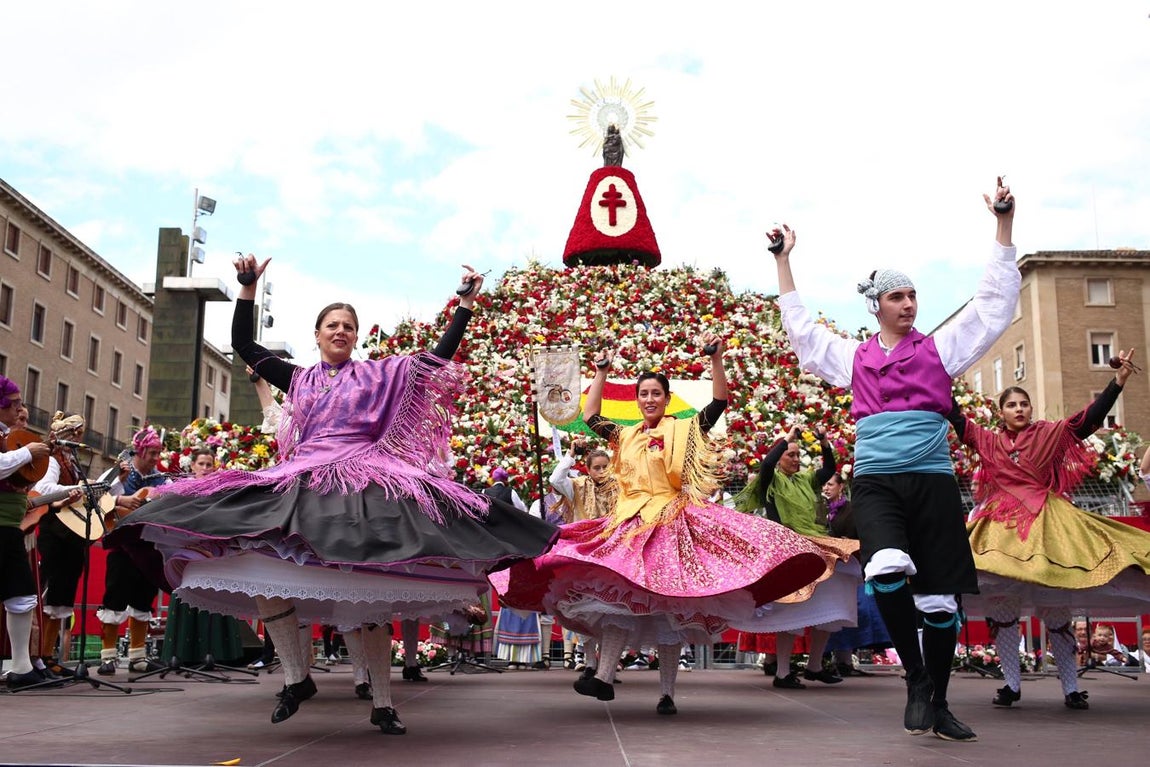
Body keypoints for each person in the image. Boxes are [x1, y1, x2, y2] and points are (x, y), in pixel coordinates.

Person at [112, 256, 556, 734]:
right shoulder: (298, 378)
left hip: (366, 479)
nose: (340, 331)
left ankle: (383, 704)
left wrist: (465, 305)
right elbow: (243, 343)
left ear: (356, 336)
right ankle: (297, 677)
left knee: (369, 593)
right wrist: (246, 288)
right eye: (332, 325)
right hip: (304, 476)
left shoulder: (379, 376)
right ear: (318, 334)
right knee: (261, 569)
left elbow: (435, 359)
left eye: (348, 326)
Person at [770, 177, 1019, 742]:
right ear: (876, 306)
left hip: (931, 481)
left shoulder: (940, 348)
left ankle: (939, 697)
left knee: (937, 600)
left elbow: (992, 307)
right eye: (897, 298)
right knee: (884, 570)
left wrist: (1003, 223)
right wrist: (784, 261)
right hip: (878, 481)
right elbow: (804, 334)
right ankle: (914, 678)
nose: (908, 305)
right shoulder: (852, 358)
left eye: (912, 297)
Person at [496, 341, 827, 716]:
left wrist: (716, 360)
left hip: (670, 524)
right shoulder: (624, 436)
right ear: (637, 400)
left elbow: (719, 402)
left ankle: (667, 693)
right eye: (644, 394)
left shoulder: (683, 430)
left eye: (656, 393)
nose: (649, 399)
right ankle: (603, 679)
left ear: (667, 399)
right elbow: (590, 415)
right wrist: (601, 372)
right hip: (629, 525)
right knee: (617, 600)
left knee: (668, 610)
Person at [951, 355, 1150, 711]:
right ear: (1002, 412)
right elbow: (952, 414)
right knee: (1003, 606)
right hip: (1000, 527)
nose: (1019, 408)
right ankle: (1011, 684)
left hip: (1048, 524)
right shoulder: (987, 441)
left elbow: (1087, 422)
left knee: (1057, 610)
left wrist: (1117, 381)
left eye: (1024, 403)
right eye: (1011, 404)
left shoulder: (1047, 434)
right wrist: (931, 375)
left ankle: (1071, 688)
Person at [732, 427, 861, 689]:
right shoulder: (771, 480)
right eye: (790, 454)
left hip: (816, 543)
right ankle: (782, 672)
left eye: (797, 455)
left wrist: (825, 443)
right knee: (791, 608)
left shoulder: (806, 480)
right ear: (780, 457)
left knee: (832, 600)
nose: (795, 459)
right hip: (789, 550)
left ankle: (814, 666)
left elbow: (828, 469)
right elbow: (766, 464)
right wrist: (787, 439)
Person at [96, 426, 172, 674]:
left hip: (148, 546)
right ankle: (107, 656)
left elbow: (172, 502)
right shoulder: (118, 472)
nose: (155, 458)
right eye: (151, 453)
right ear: (139, 451)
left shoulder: (161, 479)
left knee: (143, 598)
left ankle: (138, 655)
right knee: (115, 597)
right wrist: (121, 500)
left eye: (158, 453)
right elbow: (95, 496)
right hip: (122, 544)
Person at [31, 412, 98, 676]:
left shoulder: (71, 460)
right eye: (75, 433)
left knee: (62, 596)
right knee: (51, 594)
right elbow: (43, 488)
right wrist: (73, 490)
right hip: (55, 534)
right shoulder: (52, 460)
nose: (78, 437)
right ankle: (41, 658)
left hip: (71, 535)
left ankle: (49, 656)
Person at [0, 377, 57, 689]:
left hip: (8, 529)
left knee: (21, 595)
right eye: (14, 404)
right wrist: (28, 453)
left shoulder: (9, 437)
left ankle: (21, 666)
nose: (20, 409)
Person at [819, 473, 892, 676]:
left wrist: (846, 542)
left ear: (841, 487)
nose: (826, 488)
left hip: (848, 565)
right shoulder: (818, 509)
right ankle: (825, 659)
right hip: (825, 567)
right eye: (824, 484)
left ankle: (844, 660)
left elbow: (860, 534)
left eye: (830, 484)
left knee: (849, 611)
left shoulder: (851, 509)